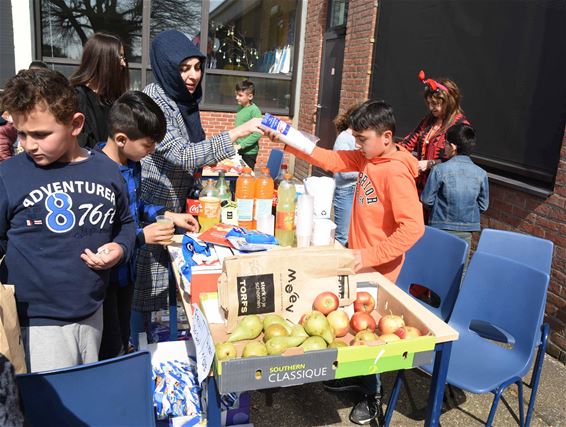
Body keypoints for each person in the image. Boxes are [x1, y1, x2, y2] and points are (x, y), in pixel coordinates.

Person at [265, 100, 424, 426]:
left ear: (386, 136)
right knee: (352, 325)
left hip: (379, 268)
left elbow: (413, 228)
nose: (357, 145)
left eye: (362, 139)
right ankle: (355, 376)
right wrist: (287, 141)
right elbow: (331, 159)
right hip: (360, 259)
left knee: (371, 333)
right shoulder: (371, 157)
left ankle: (373, 395)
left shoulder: (394, 172)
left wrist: (368, 256)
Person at [0, 69, 136, 372]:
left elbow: (126, 223)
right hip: (37, 323)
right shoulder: (10, 176)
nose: (28, 145)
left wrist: (120, 249)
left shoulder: (106, 170)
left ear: (75, 124)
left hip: (94, 312)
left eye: (41, 134)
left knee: (87, 397)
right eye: (22, 134)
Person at [134, 29, 263, 329]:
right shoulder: (156, 100)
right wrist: (237, 133)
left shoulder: (183, 99)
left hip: (178, 203)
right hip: (155, 205)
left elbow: (195, 150)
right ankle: (141, 352)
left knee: (171, 286)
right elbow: (184, 154)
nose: (193, 76)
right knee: (149, 290)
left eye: (197, 67)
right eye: (183, 68)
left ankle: (165, 338)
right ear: (166, 67)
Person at [98, 91, 200, 359]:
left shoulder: (132, 164)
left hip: (126, 275)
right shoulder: (97, 173)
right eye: (148, 145)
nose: (153, 150)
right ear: (121, 139)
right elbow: (104, 235)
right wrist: (143, 236)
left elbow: (136, 205)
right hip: (106, 282)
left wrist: (169, 215)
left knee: (122, 334)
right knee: (109, 345)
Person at [421, 123, 489, 268]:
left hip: (441, 227)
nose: (443, 147)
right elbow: (483, 205)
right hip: (466, 230)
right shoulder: (481, 173)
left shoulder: (439, 170)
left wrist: (439, 209)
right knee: (459, 271)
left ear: (453, 147)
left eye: (445, 143)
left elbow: (426, 199)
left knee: (437, 269)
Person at [400, 70, 469, 192]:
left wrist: (430, 163)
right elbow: (408, 142)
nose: (431, 108)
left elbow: (460, 161)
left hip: (441, 190)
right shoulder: (428, 120)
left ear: (449, 102)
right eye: (429, 103)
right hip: (421, 187)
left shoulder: (460, 125)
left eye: (436, 104)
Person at [69, 33, 130, 149]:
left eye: (124, 58)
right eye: (119, 57)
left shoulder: (114, 99)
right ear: (103, 60)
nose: (123, 63)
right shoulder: (76, 98)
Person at [332, 105, 358, 246]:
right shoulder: (344, 138)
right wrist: (367, 171)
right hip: (345, 192)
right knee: (343, 236)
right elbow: (344, 172)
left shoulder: (358, 138)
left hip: (357, 190)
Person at [234, 80, 263, 170]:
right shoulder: (239, 107)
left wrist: (241, 145)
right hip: (237, 150)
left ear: (250, 96)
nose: (236, 97)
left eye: (240, 95)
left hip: (249, 153)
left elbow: (258, 133)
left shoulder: (255, 111)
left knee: (245, 178)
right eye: (236, 94)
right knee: (234, 176)